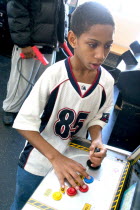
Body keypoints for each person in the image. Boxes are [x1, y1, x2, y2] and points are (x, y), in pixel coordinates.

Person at [11, 1, 115, 209]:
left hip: (74, 161)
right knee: (24, 204)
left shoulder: (107, 82)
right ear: (73, 39)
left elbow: (99, 116)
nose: (101, 55)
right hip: (37, 163)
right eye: (93, 44)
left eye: (107, 46)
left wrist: (96, 140)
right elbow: (24, 122)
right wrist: (55, 158)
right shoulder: (54, 75)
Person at [2, 0, 68, 125]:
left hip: (50, 41)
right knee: (20, 81)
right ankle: (11, 109)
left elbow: (62, 10)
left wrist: (61, 36)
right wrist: (24, 43)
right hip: (30, 42)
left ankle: (32, 111)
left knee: (43, 82)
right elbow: (17, 9)